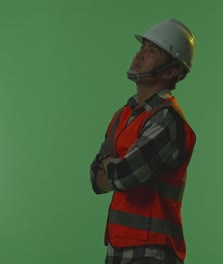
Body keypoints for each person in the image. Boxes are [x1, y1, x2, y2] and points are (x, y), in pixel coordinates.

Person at [89, 18, 197, 264]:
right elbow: (96, 179)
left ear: (170, 71)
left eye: (152, 51)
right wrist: (112, 166)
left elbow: (122, 176)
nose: (140, 55)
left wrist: (111, 166)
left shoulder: (167, 119)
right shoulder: (123, 115)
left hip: (153, 253)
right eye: (142, 47)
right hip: (118, 248)